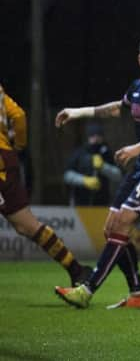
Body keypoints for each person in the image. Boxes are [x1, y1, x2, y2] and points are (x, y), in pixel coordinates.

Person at [53, 34, 140, 309]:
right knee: (111, 228)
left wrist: (139, 147)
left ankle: (86, 290)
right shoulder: (137, 88)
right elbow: (118, 109)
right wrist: (77, 112)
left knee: (123, 221)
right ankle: (138, 294)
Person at [0, 84, 91, 286]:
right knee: (26, 225)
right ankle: (76, 270)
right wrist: (18, 146)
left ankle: (77, 270)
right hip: (5, 158)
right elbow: (19, 116)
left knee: (26, 224)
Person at [64, 122, 122, 206]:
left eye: (98, 136)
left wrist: (103, 167)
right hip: (80, 201)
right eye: (93, 135)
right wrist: (84, 180)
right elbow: (67, 175)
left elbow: (118, 175)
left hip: (102, 201)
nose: (96, 138)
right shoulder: (80, 153)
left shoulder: (107, 153)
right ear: (88, 137)